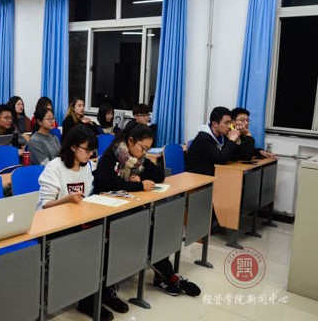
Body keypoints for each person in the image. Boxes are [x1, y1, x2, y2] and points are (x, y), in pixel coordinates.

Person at [93, 122, 201, 300]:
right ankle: (167, 276)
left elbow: (159, 175)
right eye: (143, 148)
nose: (144, 152)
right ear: (130, 141)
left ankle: (165, 275)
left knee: (155, 228)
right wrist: (137, 185)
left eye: (147, 149)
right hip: (106, 210)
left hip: (129, 206)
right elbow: (105, 183)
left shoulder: (139, 161)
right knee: (145, 229)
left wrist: (139, 177)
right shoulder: (111, 156)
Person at [37, 125, 112, 320]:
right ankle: (87, 300)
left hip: (76, 221)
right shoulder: (55, 167)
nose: (90, 154)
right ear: (72, 147)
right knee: (85, 246)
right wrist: (67, 200)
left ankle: (100, 292)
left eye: (92, 151)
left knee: (104, 239)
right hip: (52, 225)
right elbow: (45, 206)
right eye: (86, 150)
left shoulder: (87, 166)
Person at [185, 106, 240, 176]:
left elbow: (234, 156)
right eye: (226, 123)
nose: (229, 126)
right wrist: (231, 140)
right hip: (196, 176)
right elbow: (221, 160)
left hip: (212, 173)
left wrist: (237, 140)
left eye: (230, 123)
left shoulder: (222, 136)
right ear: (214, 124)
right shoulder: (203, 138)